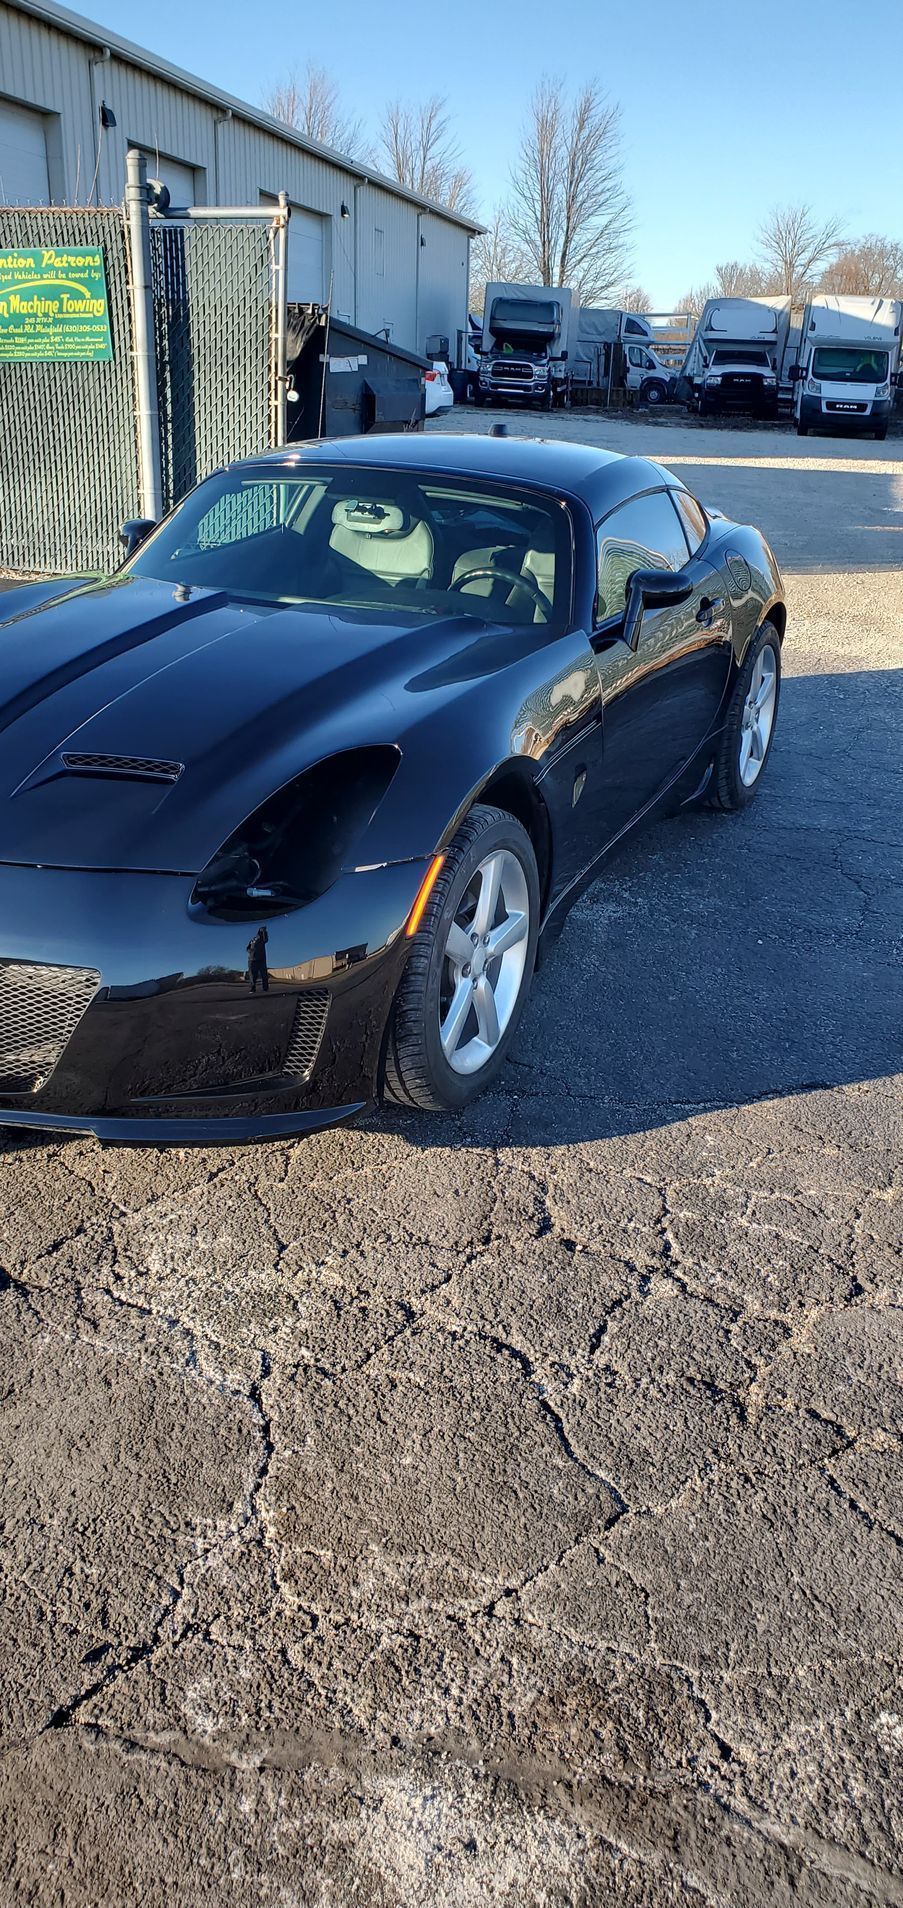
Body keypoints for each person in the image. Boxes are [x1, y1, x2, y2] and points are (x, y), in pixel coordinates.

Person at [247, 925, 269, 994]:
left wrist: (264, 931)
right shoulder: (253, 939)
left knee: (264, 974)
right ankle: (252, 988)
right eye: (260, 929)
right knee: (252, 975)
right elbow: (247, 947)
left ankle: (265, 988)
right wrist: (250, 951)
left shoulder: (262, 938)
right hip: (252, 959)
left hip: (261, 959)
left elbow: (266, 939)